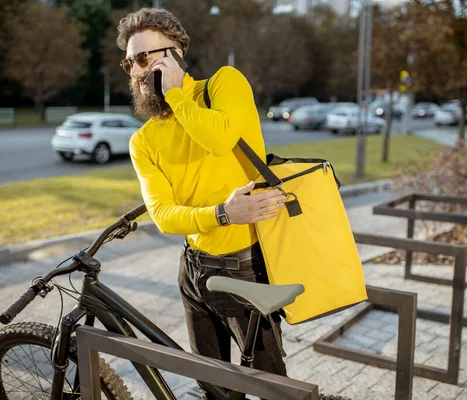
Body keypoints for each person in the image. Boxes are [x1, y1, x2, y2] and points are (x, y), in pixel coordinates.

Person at [116, 8, 287, 399]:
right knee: (213, 387)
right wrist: (222, 214)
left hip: (244, 264)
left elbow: (220, 139)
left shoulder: (224, 84)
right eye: (131, 62)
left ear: (175, 53)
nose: (138, 71)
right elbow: (162, 215)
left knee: (275, 387)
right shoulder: (142, 140)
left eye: (146, 58)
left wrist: (175, 93)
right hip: (193, 269)